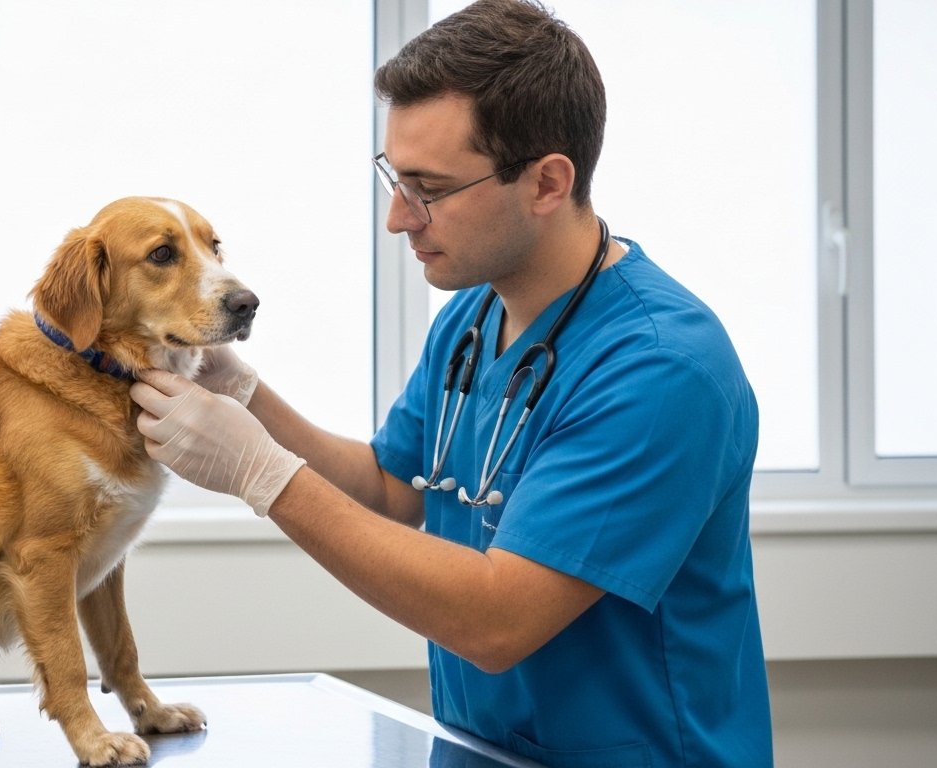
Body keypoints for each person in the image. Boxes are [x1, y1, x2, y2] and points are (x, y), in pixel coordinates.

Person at [128, 0, 772, 765]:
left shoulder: (660, 370)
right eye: (394, 179)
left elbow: (498, 620)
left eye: (428, 189)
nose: (399, 218)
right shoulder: (472, 317)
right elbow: (392, 487)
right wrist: (243, 395)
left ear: (546, 182)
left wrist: (260, 474)